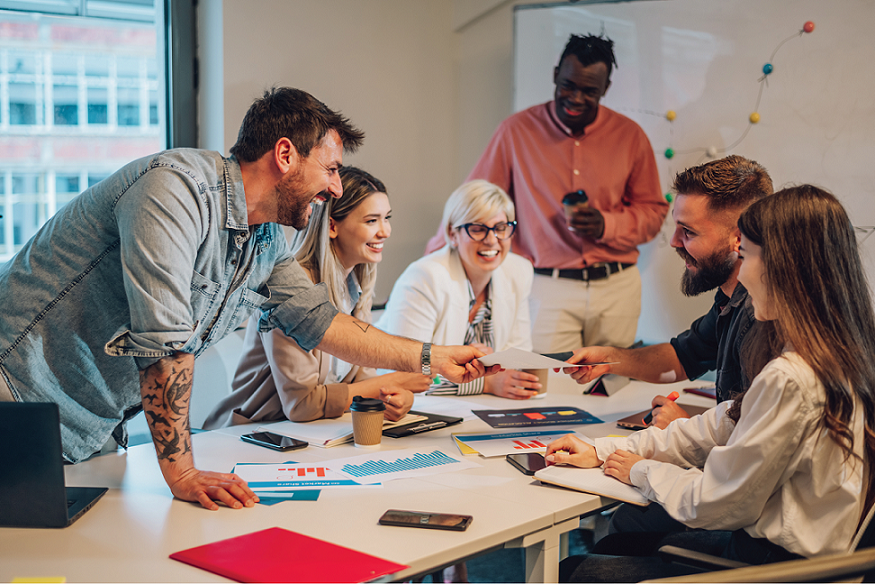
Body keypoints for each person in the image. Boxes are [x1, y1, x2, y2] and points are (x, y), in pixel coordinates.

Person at [0, 87, 494, 511]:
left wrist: (433, 357)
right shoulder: (174, 189)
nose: (336, 187)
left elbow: (323, 322)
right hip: (15, 397)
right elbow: (165, 345)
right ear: (285, 156)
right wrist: (182, 473)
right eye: (331, 169)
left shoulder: (265, 242)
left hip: (89, 427)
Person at [546, 185, 875, 582]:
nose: (744, 272)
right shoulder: (835, 350)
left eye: (748, 255)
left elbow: (720, 503)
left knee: (574, 572)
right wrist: (606, 450)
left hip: (771, 568)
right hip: (781, 553)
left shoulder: (793, 376)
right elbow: (723, 422)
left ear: (784, 266)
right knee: (620, 543)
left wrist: (639, 470)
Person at [425, 34, 667, 353]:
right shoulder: (515, 131)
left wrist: (606, 225)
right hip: (544, 285)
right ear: (555, 75)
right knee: (545, 387)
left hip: (617, 286)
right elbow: (473, 202)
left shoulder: (631, 136)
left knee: (610, 388)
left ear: (606, 88)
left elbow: (653, 214)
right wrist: (430, 264)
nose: (576, 98)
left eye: (589, 91)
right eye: (568, 85)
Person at [203, 166, 430, 428]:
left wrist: (390, 398)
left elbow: (363, 382)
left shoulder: (356, 286)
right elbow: (302, 405)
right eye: (371, 220)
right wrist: (391, 382)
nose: (385, 231)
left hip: (315, 435)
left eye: (386, 218)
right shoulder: (291, 290)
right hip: (255, 436)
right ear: (332, 226)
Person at [565, 155, 773, 428]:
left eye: (688, 232)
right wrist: (610, 359)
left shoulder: (763, 314)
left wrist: (685, 428)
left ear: (739, 239)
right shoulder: (730, 297)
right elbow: (683, 356)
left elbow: (758, 437)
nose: (674, 242)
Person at [379, 180, 537, 399]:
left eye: (501, 228)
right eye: (478, 229)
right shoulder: (424, 277)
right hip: (412, 409)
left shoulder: (519, 271)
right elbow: (406, 377)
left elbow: (519, 361)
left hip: (483, 408)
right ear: (453, 234)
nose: (492, 240)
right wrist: (484, 382)